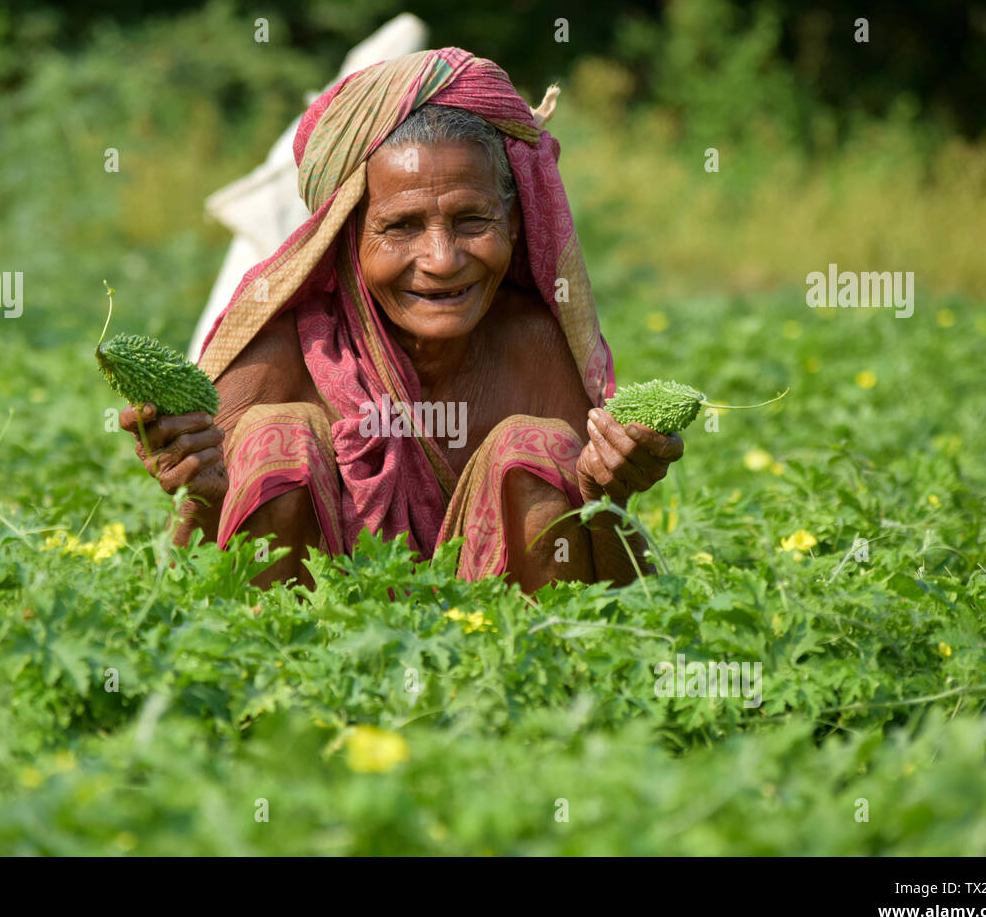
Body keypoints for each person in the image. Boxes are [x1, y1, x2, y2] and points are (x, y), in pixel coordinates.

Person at [121, 47, 684, 591]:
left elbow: (622, 596)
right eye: (401, 227)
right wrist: (204, 492)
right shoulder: (280, 353)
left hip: (493, 657)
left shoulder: (532, 346)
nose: (442, 260)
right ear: (346, 236)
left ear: (513, 223)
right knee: (277, 439)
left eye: (472, 221)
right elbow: (189, 587)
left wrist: (608, 497)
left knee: (535, 448)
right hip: (315, 656)